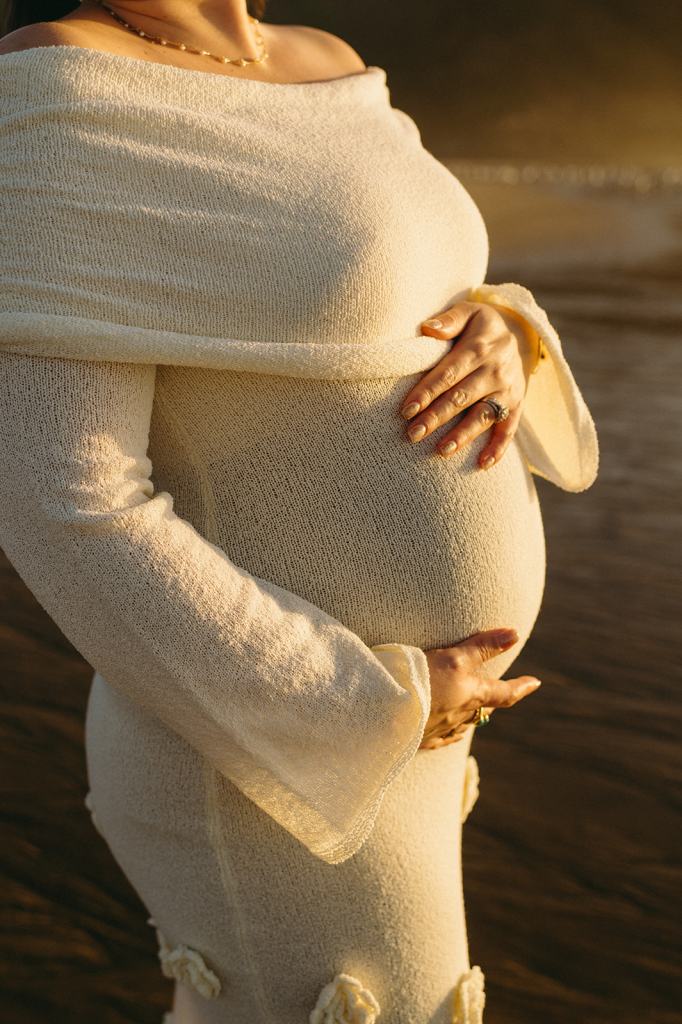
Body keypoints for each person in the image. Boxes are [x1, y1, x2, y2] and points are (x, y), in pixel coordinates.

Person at [0, 2, 598, 1021]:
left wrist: (503, 325)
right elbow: (66, 508)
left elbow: (392, 291)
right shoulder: (54, 87)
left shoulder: (324, 61)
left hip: (410, 730)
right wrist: (363, 702)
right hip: (266, 741)